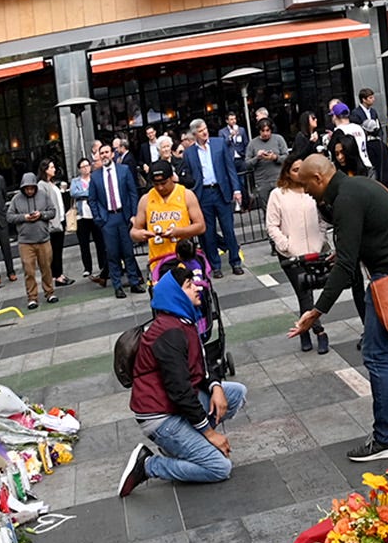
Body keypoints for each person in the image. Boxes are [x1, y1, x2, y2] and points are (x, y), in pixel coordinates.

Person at [288, 149, 388, 461]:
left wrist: (317, 309)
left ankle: (386, 438)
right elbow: (359, 243)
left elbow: (347, 267)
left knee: (375, 353)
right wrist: (344, 254)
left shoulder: (345, 199)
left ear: (319, 178)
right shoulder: (356, 187)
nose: (307, 193)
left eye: (307, 186)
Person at [120, 259, 247, 495]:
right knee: (219, 468)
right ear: (176, 294)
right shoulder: (169, 333)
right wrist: (210, 434)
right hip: (159, 416)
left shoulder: (183, 321)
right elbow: (179, 390)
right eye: (189, 286)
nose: (198, 287)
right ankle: (148, 466)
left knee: (235, 393)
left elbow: (201, 368)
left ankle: (184, 446)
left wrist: (216, 386)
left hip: (173, 405)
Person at [265, 159, 332, 355]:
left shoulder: (312, 191)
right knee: (304, 293)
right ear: (287, 172)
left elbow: (322, 219)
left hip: (314, 251)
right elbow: (272, 225)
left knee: (307, 294)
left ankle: (304, 329)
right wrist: (286, 245)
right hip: (291, 255)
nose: (299, 173)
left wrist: (320, 240)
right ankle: (318, 331)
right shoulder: (277, 194)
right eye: (295, 170)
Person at [180, 120, 246, 276]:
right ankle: (215, 266)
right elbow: (187, 175)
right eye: (201, 131)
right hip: (203, 194)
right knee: (208, 233)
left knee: (228, 229)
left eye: (205, 129)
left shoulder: (219, 143)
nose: (205, 132)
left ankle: (235, 262)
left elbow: (230, 168)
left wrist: (236, 189)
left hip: (220, 191)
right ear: (195, 134)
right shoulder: (189, 153)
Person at [138, 157, 207, 278]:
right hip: (158, 262)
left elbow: (201, 226)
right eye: (156, 184)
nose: (160, 187)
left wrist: (179, 232)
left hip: (184, 259)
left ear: (172, 178)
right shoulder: (146, 199)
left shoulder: (186, 194)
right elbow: (134, 231)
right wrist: (142, 234)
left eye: (163, 183)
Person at [91, 143, 143, 295]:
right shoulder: (95, 176)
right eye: (102, 153)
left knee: (128, 252)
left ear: (113, 154)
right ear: (100, 156)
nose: (105, 155)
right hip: (108, 219)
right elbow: (92, 200)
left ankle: (134, 282)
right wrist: (99, 218)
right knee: (112, 254)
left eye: (107, 152)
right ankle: (117, 286)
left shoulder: (123, 171)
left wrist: (134, 214)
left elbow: (133, 193)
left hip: (124, 216)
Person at [6, 172, 61, 306]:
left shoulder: (43, 195)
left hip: (43, 239)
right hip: (25, 241)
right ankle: (32, 297)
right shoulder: (16, 199)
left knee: (46, 268)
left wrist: (41, 215)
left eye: (31, 188)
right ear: (23, 188)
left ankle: (49, 292)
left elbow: (53, 211)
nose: (29, 190)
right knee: (29, 271)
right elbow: (9, 217)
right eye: (27, 188)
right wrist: (24, 217)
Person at [249, 119, 292, 211]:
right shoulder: (252, 144)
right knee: (267, 210)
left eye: (267, 130)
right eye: (263, 131)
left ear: (271, 130)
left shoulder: (278, 139)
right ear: (259, 131)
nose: (265, 133)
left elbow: (287, 157)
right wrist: (257, 157)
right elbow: (247, 164)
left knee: (284, 208)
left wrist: (275, 157)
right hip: (262, 182)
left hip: (278, 179)